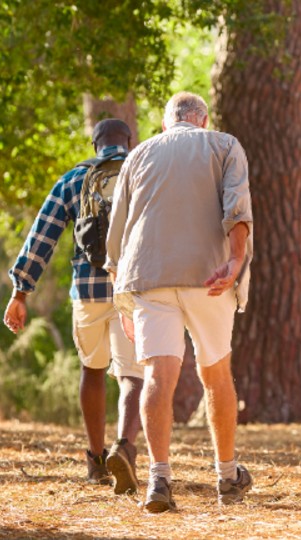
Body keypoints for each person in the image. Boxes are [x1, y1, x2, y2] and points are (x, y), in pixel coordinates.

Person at [104, 92, 254, 513]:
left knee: (158, 375)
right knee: (216, 374)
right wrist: (235, 261)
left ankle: (159, 480)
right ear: (203, 120)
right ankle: (226, 476)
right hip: (208, 276)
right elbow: (236, 207)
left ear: (166, 123)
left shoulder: (138, 156)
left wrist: (122, 300)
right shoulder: (224, 145)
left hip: (149, 277)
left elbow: (117, 234)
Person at [4, 119, 144, 495]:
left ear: (95, 143)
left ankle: (96, 461)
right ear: (129, 141)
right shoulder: (144, 168)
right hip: (133, 288)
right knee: (132, 374)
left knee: (93, 370)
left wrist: (21, 291)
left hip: (87, 289)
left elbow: (43, 234)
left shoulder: (73, 179)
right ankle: (126, 448)